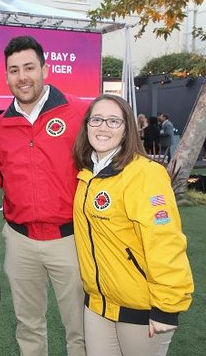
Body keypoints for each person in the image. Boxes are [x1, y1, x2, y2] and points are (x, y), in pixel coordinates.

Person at [0, 35, 88, 356]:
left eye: (29, 67)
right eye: (14, 70)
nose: (22, 77)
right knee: (28, 326)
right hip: (21, 242)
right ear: (6, 76)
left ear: (45, 68)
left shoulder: (79, 112)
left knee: (81, 328)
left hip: (70, 239)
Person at [72, 94, 194, 356]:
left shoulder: (145, 174)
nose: (103, 127)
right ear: (86, 126)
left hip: (141, 308)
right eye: (97, 119)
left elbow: (165, 242)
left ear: (128, 129)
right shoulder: (87, 175)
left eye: (114, 121)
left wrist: (167, 307)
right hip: (98, 305)